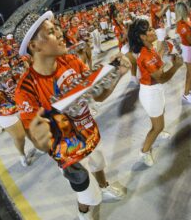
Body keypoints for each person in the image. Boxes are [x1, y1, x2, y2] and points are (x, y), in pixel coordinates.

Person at [14, 11, 129, 220]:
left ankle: (104, 185)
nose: (59, 33)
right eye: (51, 31)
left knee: (99, 164)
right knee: (89, 197)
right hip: (69, 154)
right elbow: (40, 141)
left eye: (56, 28)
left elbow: (98, 95)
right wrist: (39, 139)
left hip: (90, 133)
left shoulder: (70, 61)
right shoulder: (26, 89)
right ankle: (83, 214)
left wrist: (117, 75)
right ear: (34, 46)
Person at [128, 19, 183, 166]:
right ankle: (144, 152)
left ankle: (160, 131)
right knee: (157, 127)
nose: (153, 31)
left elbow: (156, 63)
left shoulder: (149, 48)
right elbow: (162, 77)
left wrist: (163, 52)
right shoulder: (146, 55)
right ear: (142, 37)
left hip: (155, 90)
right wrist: (176, 66)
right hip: (151, 92)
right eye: (150, 30)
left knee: (160, 114)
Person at [0, 53, 32, 167]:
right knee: (19, 136)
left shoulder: (6, 69)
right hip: (3, 110)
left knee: (31, 129)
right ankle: (22, 154)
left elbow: (20, 80)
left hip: (19, 103)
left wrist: (26, 68)